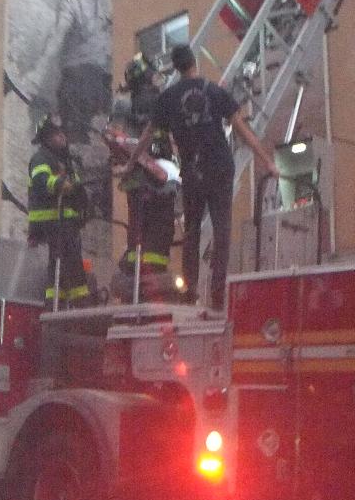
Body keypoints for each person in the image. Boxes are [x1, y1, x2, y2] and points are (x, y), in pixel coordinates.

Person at [123, 44, 279, 311]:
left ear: (176, 68)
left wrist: (129, 165)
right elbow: (244, 131)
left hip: (193, 173)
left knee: (192, 233)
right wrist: (268, 162)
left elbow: (146, 135)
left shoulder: (168, 98)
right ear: (194, 62)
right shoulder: (214, 91)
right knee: (222, 231)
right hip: (219, 168)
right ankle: (218, 293)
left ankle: (190, 291)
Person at [111, 53, 177, 281]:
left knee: (137, 226)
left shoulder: (124, 104)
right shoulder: (159, 100)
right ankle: (154, 272)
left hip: (135, 178)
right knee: (161, 226)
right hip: (158, 176)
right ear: (146, 75)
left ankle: (134, 267)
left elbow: (116, 138)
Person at [27, 114, 92, 308]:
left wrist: (84, 204)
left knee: (60, 262)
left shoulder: (65, 161)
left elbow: (77, 188)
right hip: (52, 219)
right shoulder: (41, 158)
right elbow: (40, 181)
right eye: (57, 134)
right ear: (47, 138)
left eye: (62, 132)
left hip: (66, 220)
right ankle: (81, 303)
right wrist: (60, 183)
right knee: (71, 261)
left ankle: (57, 302)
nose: (62, 136)